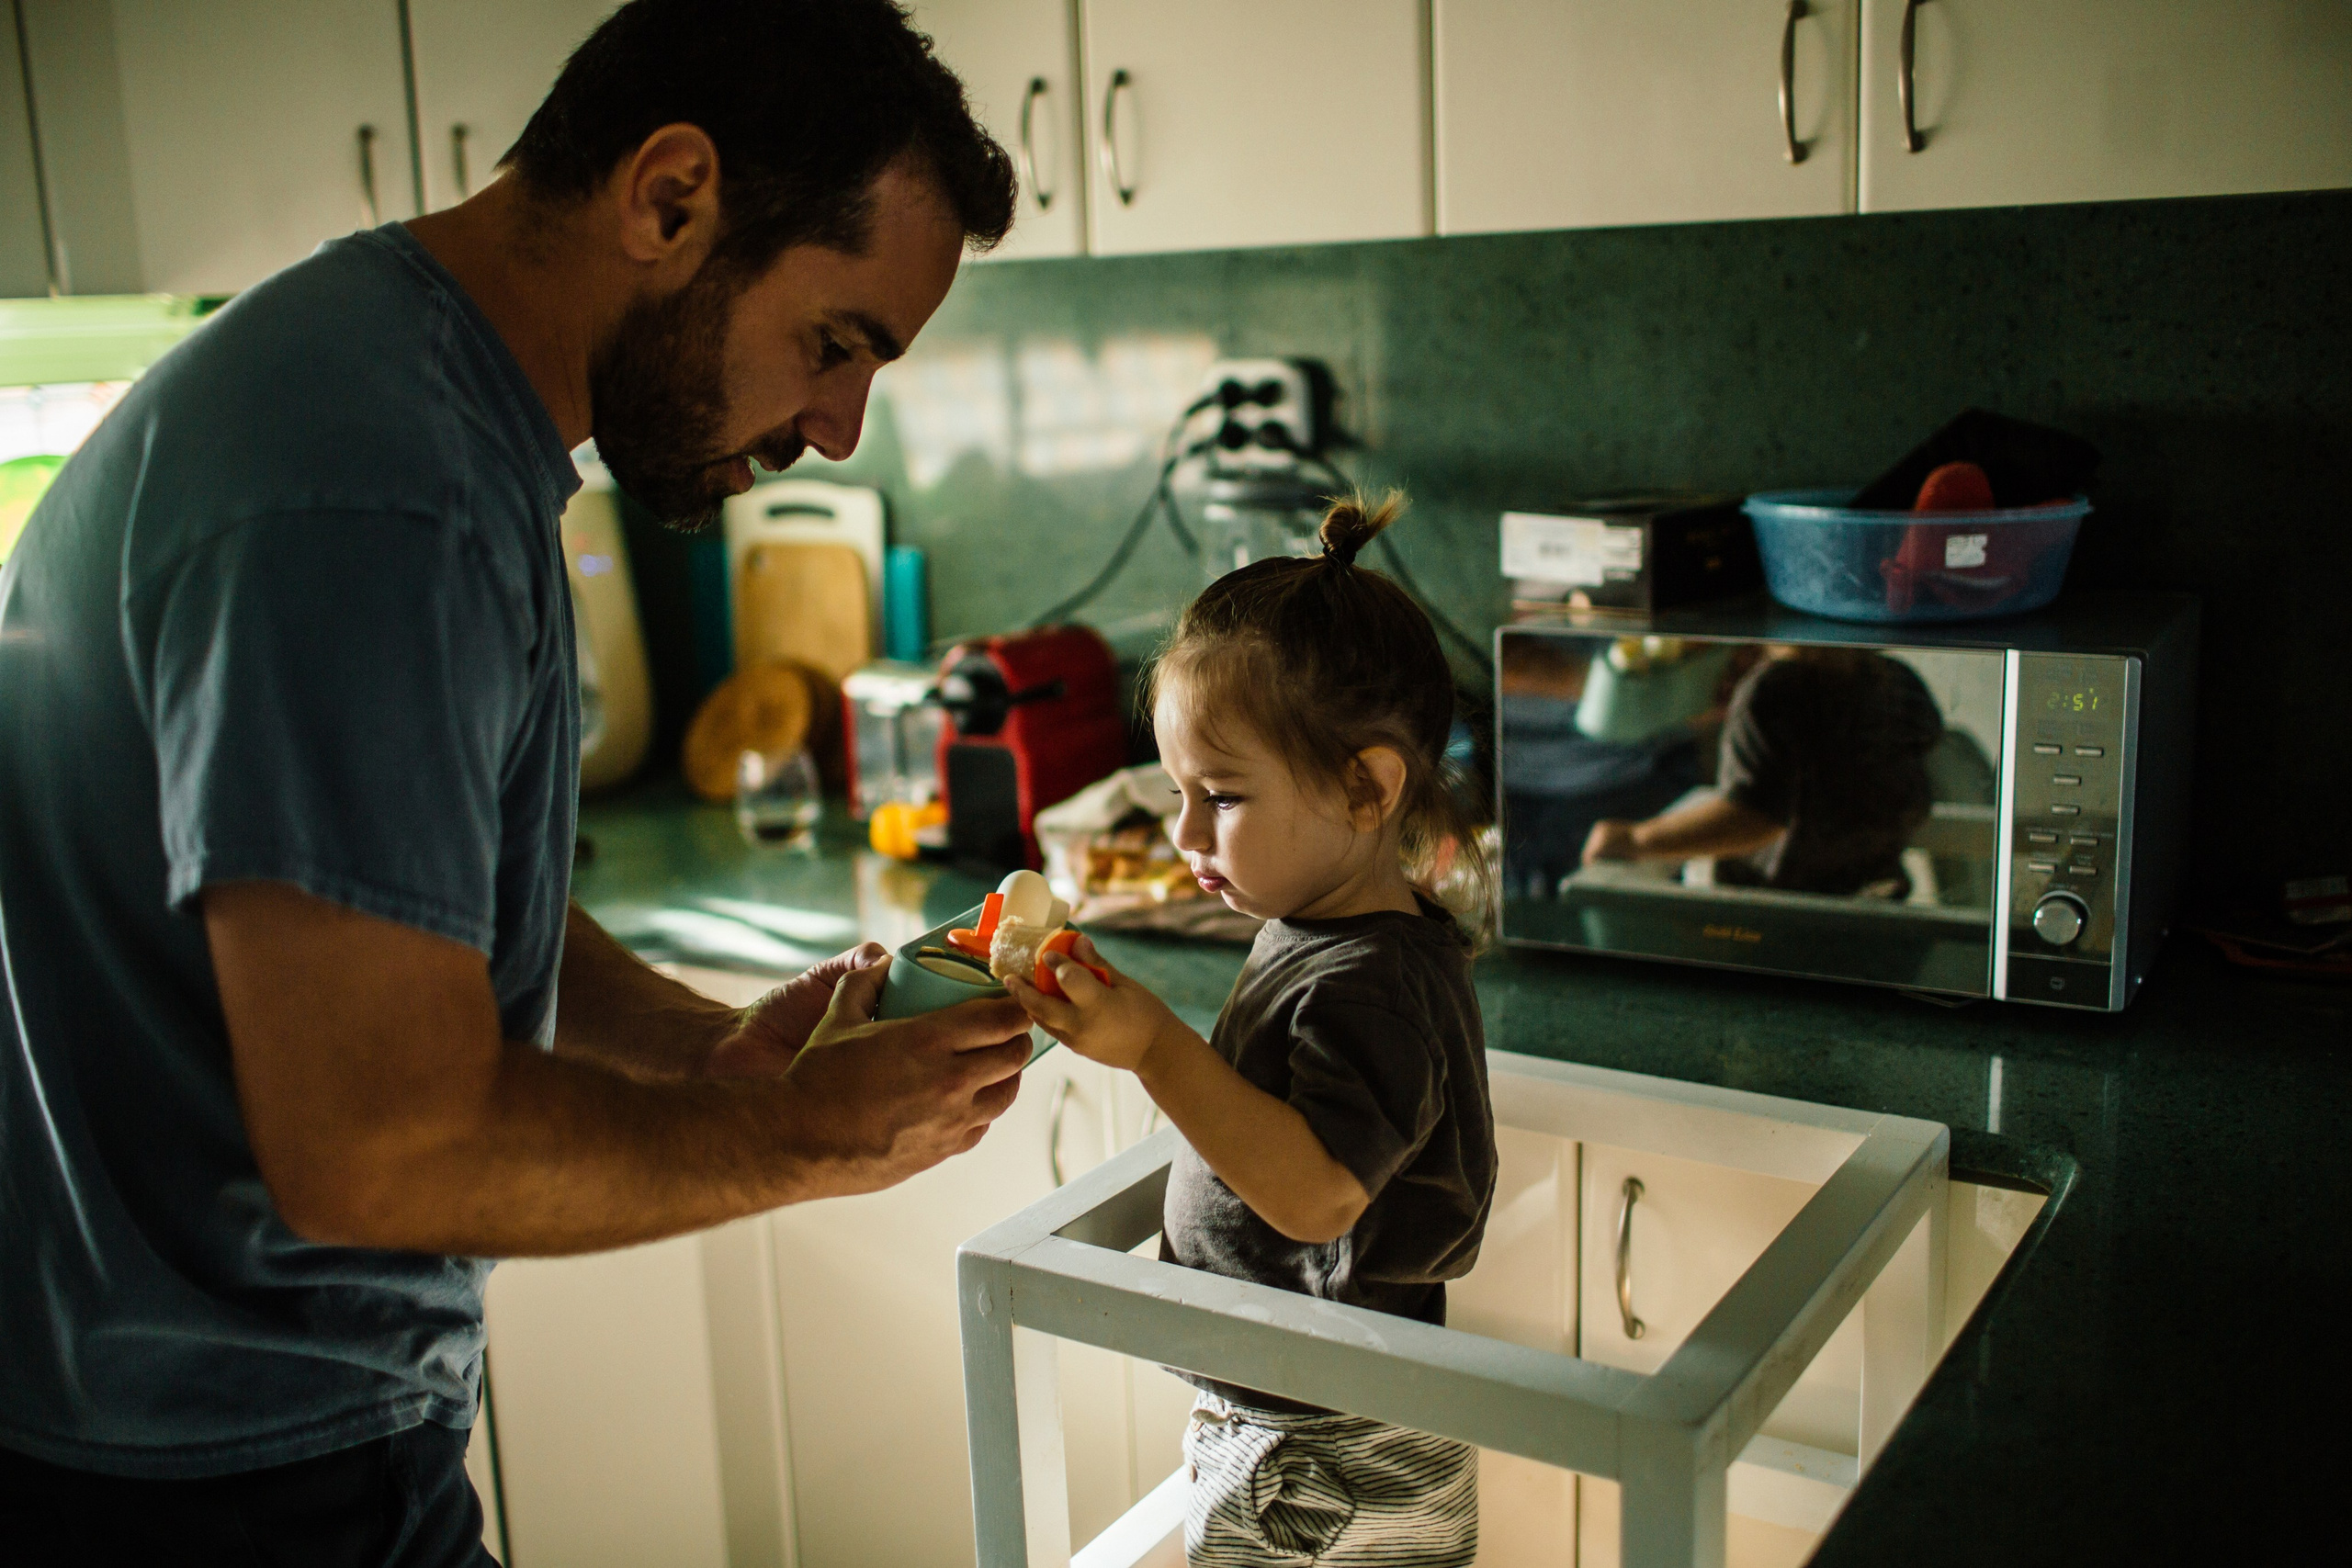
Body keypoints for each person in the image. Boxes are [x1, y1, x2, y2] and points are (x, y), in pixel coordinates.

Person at [0, 3, 1032, 1561]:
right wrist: (804, 1137)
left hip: (194, 1429)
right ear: (669, 196)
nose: (837, 427)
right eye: (836, 343)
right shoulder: (378, 485)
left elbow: (406, 900)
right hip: (220, 1479)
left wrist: (706, 1056)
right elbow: (375, 1143)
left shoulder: (387, 396)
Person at [1010, 495, 1498, 1568]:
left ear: (1367, 789)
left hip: (1330, 1448)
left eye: (1219, 796)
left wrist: (1153, 1046)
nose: (1183, 833)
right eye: (1180, 790)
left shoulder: (1370, 982)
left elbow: (1319, 1193)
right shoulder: (1329, 926)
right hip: (1303, 1408)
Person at [1583, 646, 1945, 898]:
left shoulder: (1773, 690)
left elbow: (1752, 817)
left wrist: (1634, 840)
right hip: (1877, 894)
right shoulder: (1898, 679)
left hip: (1779, 915)